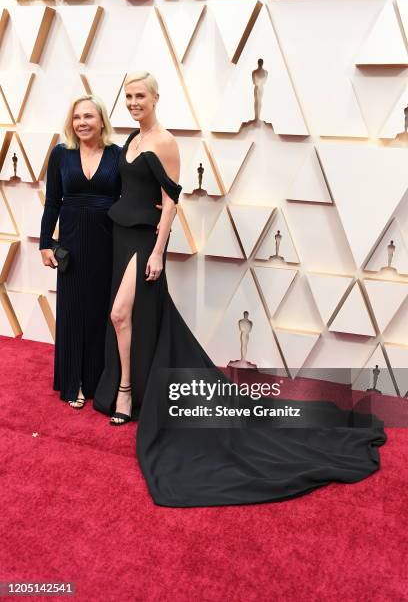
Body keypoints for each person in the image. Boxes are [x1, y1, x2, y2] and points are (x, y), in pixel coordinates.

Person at [94, 71, 387, 508]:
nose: (134, 102)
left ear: (156, 98)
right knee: (128, 318)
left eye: (141, 96)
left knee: (120, 314)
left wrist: (158, 252)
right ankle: (128, 388)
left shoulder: (165, 142)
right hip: (121, 236)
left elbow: (172, 201)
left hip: (143, 242)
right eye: (129, 96)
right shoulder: (130, 141)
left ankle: (125, 391)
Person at [39, 94, 121, 408]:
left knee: (99, 312)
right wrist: (45, 242)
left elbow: (127, 199)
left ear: (102, 121)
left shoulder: (118, 155)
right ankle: (73, 382)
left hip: (107, 242)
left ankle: (98, 381)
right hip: (70, 244)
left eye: (88, 116)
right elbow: (52, 202)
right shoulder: (61, 154)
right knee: (72, 311)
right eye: (77, 117)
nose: (82, 123)